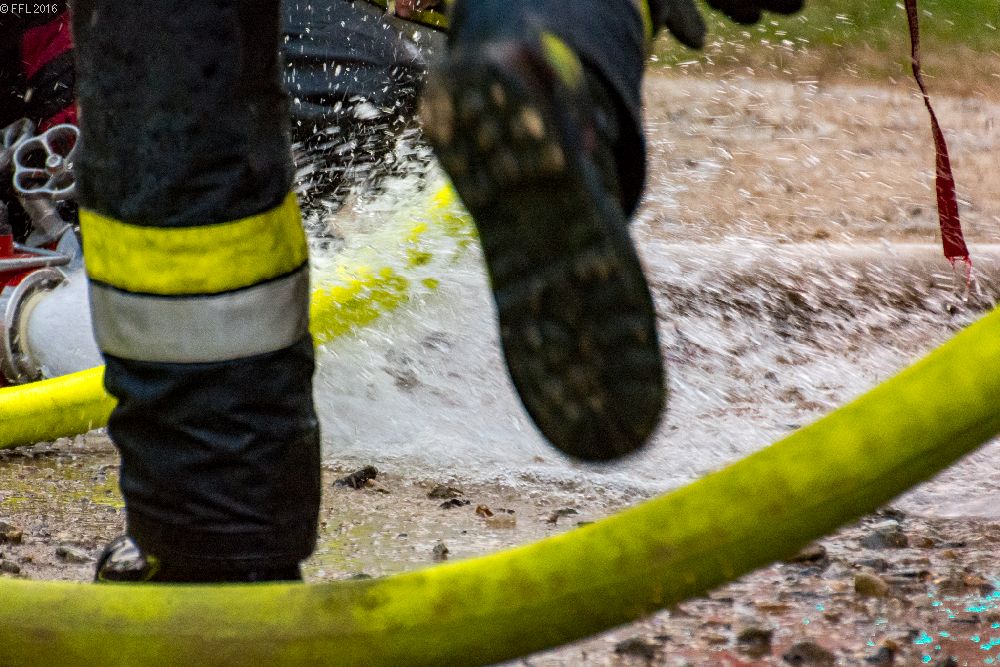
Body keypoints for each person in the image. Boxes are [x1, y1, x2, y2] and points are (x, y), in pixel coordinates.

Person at [71, 0, 801, 583]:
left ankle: (210, 527)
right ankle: (552, 76)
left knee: (171, 53)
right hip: (373, 65)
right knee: (531, 29)